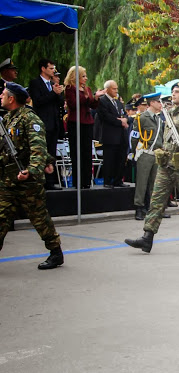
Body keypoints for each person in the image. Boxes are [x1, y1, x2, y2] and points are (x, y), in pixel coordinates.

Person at [124, 82, 179, 253]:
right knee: (157, 200)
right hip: (166, 163)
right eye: (172, 92)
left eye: (177, 92)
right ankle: (147, 237)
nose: (173, 95)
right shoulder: (168, 114)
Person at [0, 82, 64, 269]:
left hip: (27, 180)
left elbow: (38, 149)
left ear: (12, 98)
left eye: (3, 94)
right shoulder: (7, 120)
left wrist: (34, 170)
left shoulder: (30, 119)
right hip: (7, 180)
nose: (0, 96)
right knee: (1, 217)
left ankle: (56, 252)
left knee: (39, 218)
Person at [64, 66, 106, 189]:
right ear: (75, 77)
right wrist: (85, 96)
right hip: (75, 121)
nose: (86, 78)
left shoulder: (86, 89)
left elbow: (92, 105)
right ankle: (78, 181)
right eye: (83, 76)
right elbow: (73, 104)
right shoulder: (70, 89)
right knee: (77, 152)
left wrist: (96, 97)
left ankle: (87, 180)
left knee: (87, 152)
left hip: (87, 121)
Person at [28, 59, 65, 190]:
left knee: (52, 152)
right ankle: (41, 181)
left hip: (54, 124)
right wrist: (52, 93)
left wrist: (58, 92)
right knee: (42, 152)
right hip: (42, 123)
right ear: (43, 69)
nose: (53, 71)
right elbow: (38, 102)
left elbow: (60, 102)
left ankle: (50, 181)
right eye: (50, 68)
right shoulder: (35, 83)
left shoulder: (52, 83)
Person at [131, 92, 164, 220]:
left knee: (154, 183)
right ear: (152, 103)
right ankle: (139, 208)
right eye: (158, 102)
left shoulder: (159, 119)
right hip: (145, 153)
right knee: (142, 183)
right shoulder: (142, 118)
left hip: (156, 154)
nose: (160, 104)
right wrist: (133, 151)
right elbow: (135, 137)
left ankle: (151, 208)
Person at [97, 80, 129, 188]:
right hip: (110, 136)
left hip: (121, 136)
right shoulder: (102, 101)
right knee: (109, 159)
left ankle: (118, 180)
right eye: (114, 89)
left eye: (116, 89)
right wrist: (121, 121)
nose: (116, 91)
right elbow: (106, 116)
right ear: (107, 89)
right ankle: (107, 181)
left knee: (120, 159)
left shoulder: (118, 103)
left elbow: (125, 114)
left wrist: (125, 119)